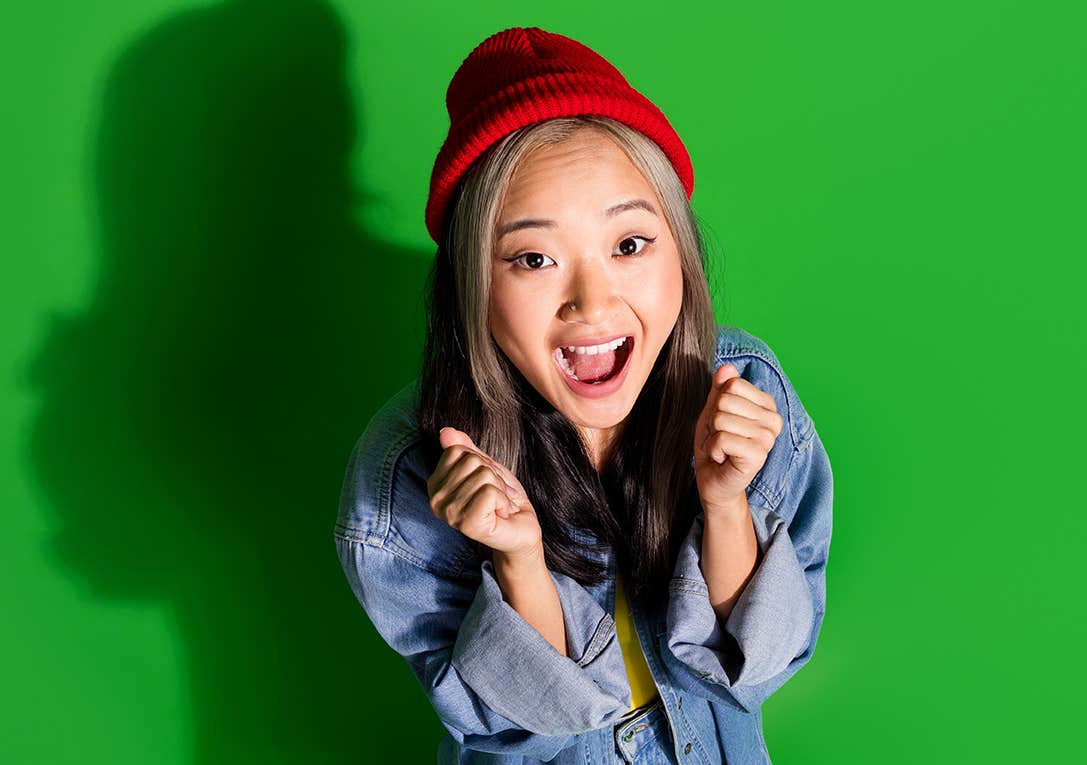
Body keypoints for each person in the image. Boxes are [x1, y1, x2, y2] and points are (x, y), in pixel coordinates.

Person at [333, 25, 834, 764]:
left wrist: (728, 505)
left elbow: (754, 671)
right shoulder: (405, 475)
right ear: (474, 285)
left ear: (682, 250)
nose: (591, 303)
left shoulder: (745, 390)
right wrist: (519, 561)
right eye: (534, 258)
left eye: (630, 245)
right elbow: (514, 729)